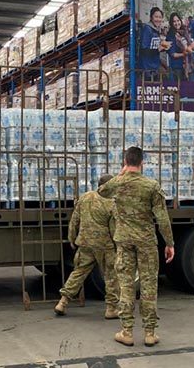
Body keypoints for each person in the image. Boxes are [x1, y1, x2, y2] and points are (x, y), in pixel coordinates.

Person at [99, 147, 174, 347]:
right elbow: (162, 218)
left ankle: (127, 331)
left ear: (125, 161)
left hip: (124, 242)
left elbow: (101, 191)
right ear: (142, 162)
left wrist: (121, 174)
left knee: (126, 286)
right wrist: (169, 243)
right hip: (147, 242)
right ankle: (150, 333)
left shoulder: (117, 183)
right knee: (149, 286)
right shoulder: (151, 186)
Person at [54, 174, 120, 320]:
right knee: (111, 277)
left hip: (85, 243)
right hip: (105, 246)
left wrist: (71, 237)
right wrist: (119, 245)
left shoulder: (85, 197)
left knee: (78, 273)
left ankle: (63, 302)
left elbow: (74, 220)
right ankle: (111, 308)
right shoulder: (112, 204)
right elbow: (114, 230)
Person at [137, 7, 171, 78]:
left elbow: (154, 46)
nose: (158, 19)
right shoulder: (147, 29)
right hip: (146, 68)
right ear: (151, 17)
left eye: (160, 17)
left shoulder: (156, 30)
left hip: (155, 67)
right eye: (156, 17)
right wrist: (158, 49)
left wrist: (165, 48)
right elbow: (143, 50)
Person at [167, 13, 194, 81]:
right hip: (178, 67)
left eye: (178, 20)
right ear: (171, 23)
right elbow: (172, 54)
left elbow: (192, 46)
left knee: (190, 89)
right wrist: (184, 53)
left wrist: (193, 46)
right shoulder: (170, 36)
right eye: (174, 21)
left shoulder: (185, 32)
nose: (177, 23)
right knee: (180, 90)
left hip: (189, 66)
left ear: (180, 21)